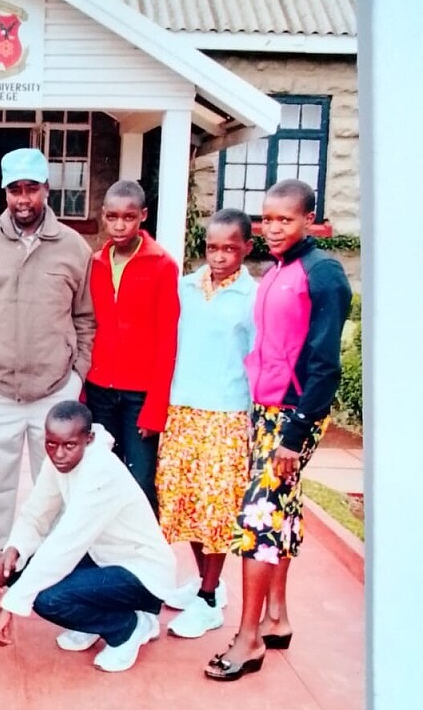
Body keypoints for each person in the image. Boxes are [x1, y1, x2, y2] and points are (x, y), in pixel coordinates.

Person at [205, 179, 352, 681]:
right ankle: (276, 620)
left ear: (310, 220)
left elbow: (325, 365)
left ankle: (248, 640)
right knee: (281, 511)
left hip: (294, 416)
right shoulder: (277, 269)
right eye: (266, 219)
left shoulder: (323, 273)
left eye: (284, 220)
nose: (272, 228)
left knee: (257, 519)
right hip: (266, 412)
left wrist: (294, 436)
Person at [0, 148, 96, 554]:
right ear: (5, 192)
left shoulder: (73, 248)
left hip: (55, 392)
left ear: (46, 188)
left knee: (57, 490)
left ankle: (51, 569)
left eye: (32, 188)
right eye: (15, 190)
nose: (24, 199)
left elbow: (85, 317)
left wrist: (76, 374)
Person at [0, 401, 179, 673]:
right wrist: (13, 550)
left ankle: (128, 627)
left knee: (48, 598)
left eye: (69, 445)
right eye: (51, 444)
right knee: (19, 569)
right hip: (105, 558)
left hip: (143, 574)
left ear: (88, 439)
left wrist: (9, 606)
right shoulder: (60, 459)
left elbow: (65, 545)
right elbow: (36, 514)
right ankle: (94, 621)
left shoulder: (101, 472)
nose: (58, 454)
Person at [156, 209, 256, 638]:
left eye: (230, 249)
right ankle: (205, 583)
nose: (219, 256)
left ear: (247, 248)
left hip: (226, 414)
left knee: (216, 508)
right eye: (212, 247)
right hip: (183, 410)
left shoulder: (253, 298)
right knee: (186, 504)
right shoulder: (186, 288)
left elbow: (258, 359)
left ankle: (209, 598)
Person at [85, 180, 179, 510]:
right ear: (103, 215)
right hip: (99, 390)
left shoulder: (162, 265)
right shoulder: (95, 263)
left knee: (139, 482)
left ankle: (143, 545)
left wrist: (155, 408)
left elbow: (168, 339)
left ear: (143, 216)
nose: (120, 225)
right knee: (101, 477)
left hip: (140, 396)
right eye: (112, 217)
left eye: (129, 217)